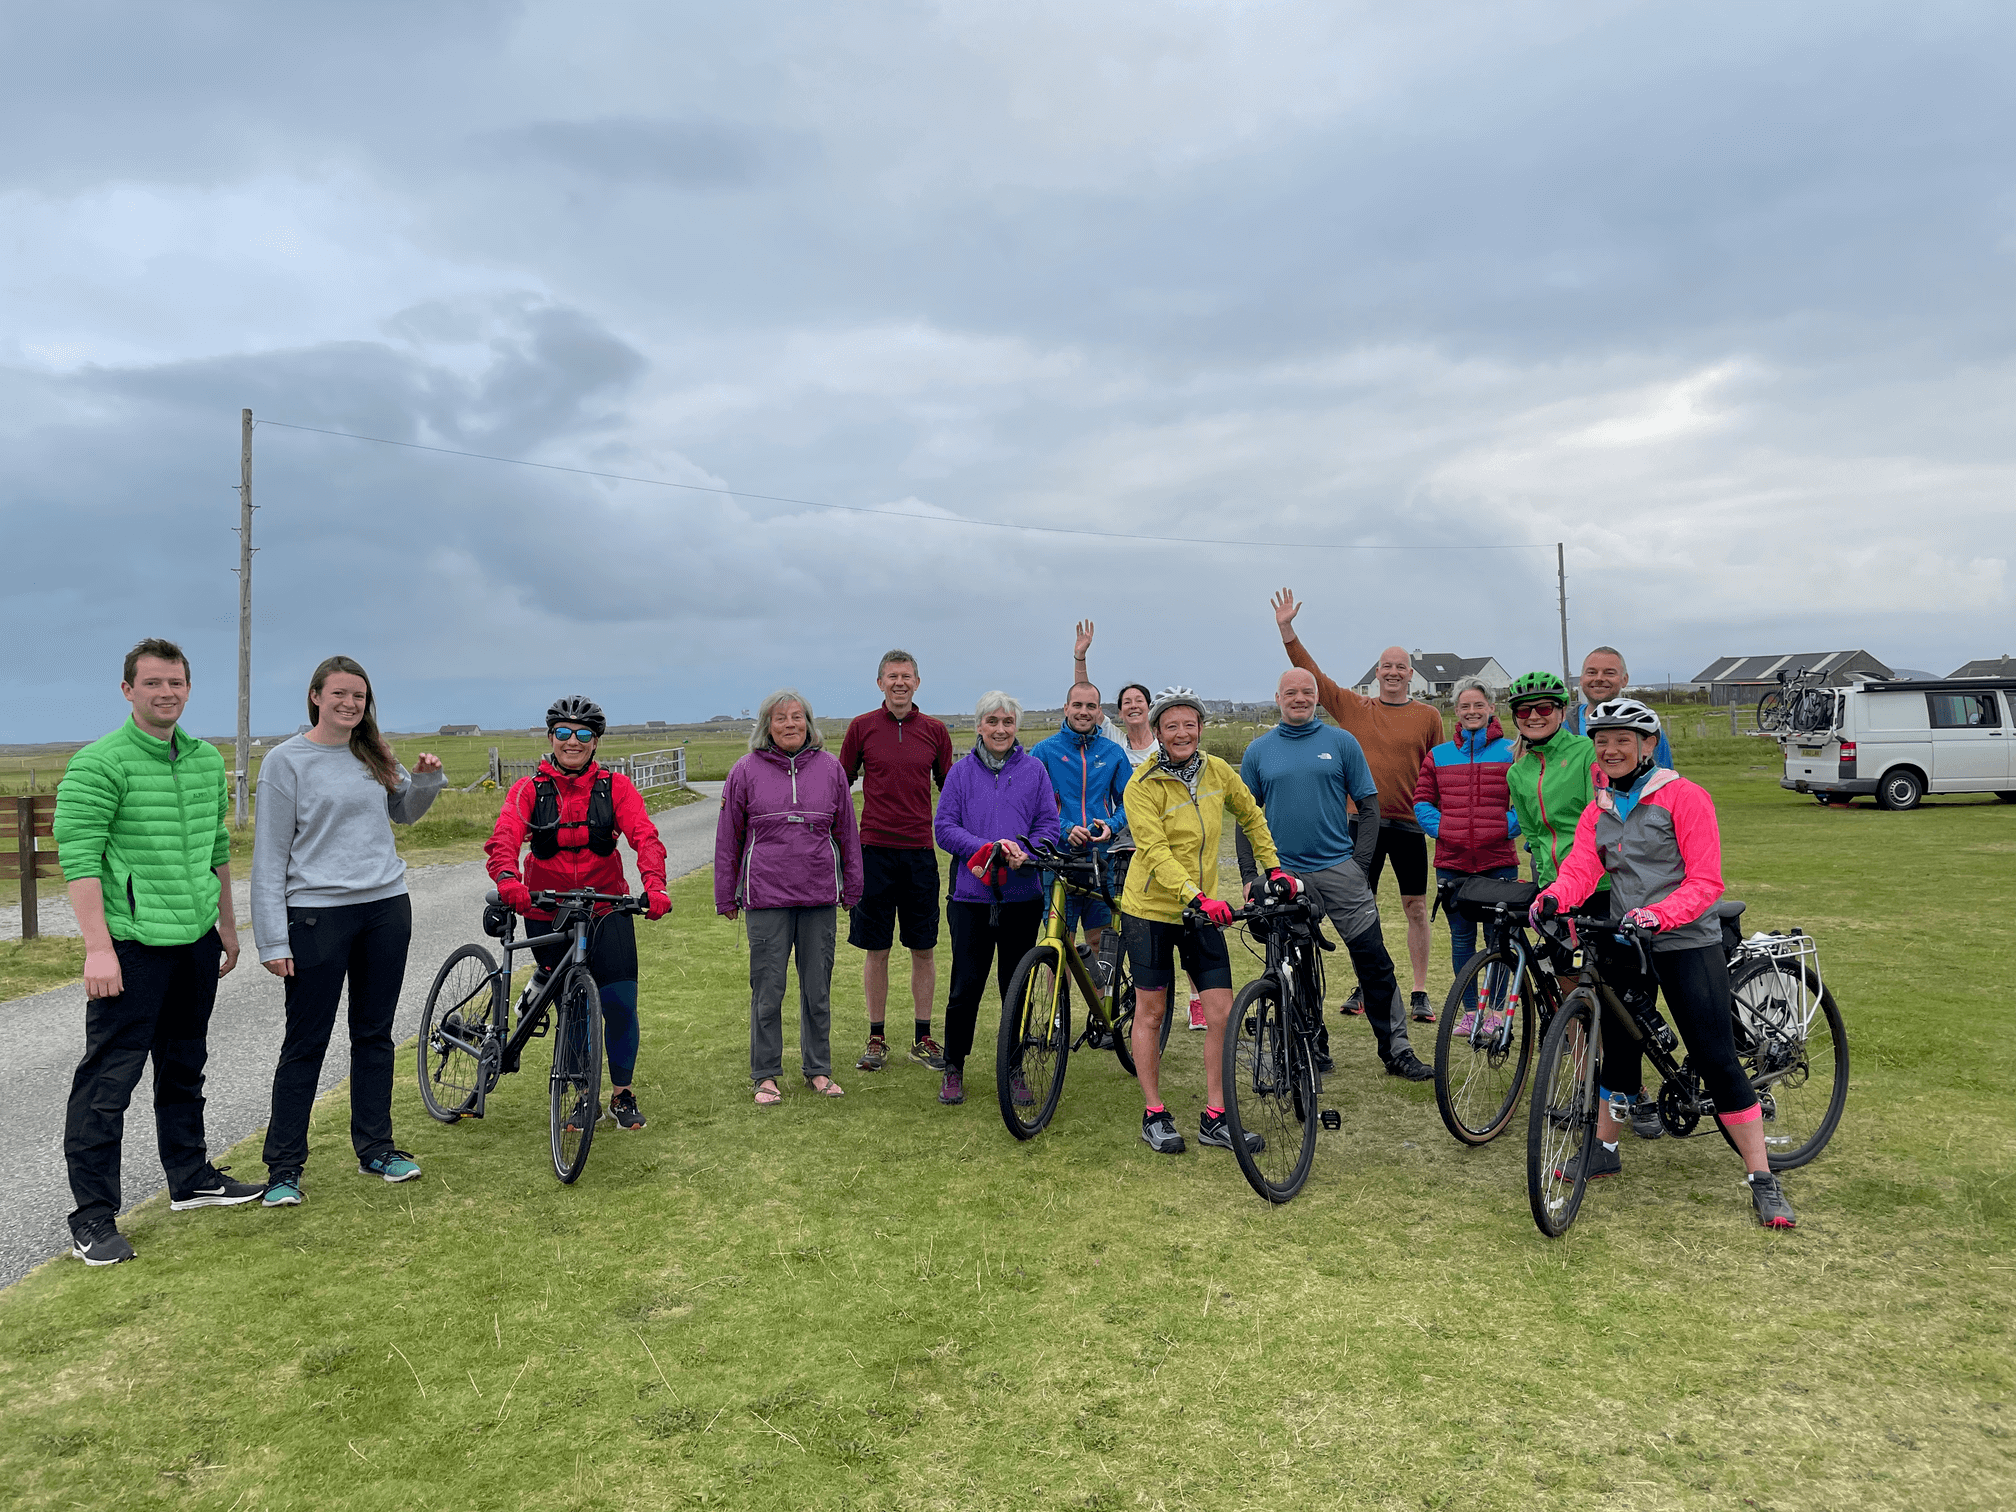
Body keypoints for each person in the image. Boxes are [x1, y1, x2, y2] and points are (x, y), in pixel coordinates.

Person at [1531, 698, 1796, 1228]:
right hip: (1626, 939)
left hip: (1685, 940)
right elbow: (1583, 867)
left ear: (1648, 746)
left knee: (1715, 1056)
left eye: (1623, 740)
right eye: (1602, 741)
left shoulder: (1685, 797)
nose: (1610, 749)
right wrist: (1555, 896)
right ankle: (1605, 1150)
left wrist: (1659, 915)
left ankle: (1763, 1179)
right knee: (1622, 1050)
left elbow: (1704, 882)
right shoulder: (1599, 808)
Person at [54, 638, 262, 1265]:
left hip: (195, 942)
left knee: (183, 1065)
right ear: (128, 691)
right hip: (131, 948)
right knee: (108, 1081)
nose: (165, 693)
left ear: (188, 689)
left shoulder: (203, 761)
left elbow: (216, 851)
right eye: (152, 683)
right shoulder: (99, 764)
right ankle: (93, 1217)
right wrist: (98, 950)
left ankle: (191, 1178)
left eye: (175, 682)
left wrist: (227, 926)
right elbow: (80, 861)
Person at [252, 656, 446, 1206]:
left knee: (374, 1034)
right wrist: (272, 938)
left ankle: (376, 1148)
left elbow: (404, 813)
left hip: (385, 907)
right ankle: (284, 1168)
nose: (350, 704)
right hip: (317, 917)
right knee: (306, 1042)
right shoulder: (286, 762)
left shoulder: (374, 753)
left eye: (358, 696)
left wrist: (427, 780)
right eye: (339, 694)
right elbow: (269, 858)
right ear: (315, 696)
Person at [485, 696, 671, 1132]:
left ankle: (621, 1095)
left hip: (606, 907)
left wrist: (656, 884)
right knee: (575, 1007)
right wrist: (509, 879)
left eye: (583, 734)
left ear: (596, 742)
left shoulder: (616, 788)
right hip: (548, 908)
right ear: (551, 738)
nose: (573, 741)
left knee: (620, 1002)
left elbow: (645, 836)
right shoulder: (528, 790)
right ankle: (582, 1096)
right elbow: (504, 838)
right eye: (564, 733)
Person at [1236, 669, 1432, 1081]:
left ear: (1316, 699)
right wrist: (1250, 874)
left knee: (1374, 962)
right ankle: (1312, 1044)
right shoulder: (1258, 751)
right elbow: (1245, 817)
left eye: (1308, 692)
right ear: (1278, 697)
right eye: (1291, 692)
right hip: (1283, 874)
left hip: (1339, 869)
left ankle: (1396, 1051)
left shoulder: (1341, 742)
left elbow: (1369, 805)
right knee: (1294, 963)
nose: (1300, 698)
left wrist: (1359, 866)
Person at [1121, 687, 1294, 1154]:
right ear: (1157, 732)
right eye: (1171, 726)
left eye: (1189, 724)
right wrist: (1195, 895)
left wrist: (1272, 866)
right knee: (1152, 1012)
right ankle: (1154, 1112)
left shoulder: (1218, 770)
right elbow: (1154, 852)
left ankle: (1216, 1116)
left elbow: (1252, 816)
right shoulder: (1140, 785)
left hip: (1202, 913)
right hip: (1152, 911)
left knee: (1220, 1013)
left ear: (1200, 728)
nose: (1182, 733)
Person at [1270, 589, 1444, 1023]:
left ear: (1410, 673)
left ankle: (1419, 990)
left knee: (1416, 908)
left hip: (1407, 827)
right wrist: (1288, 631)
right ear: (1378, 671)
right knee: (1353, 905)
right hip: (1358, 825)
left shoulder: (1428, 716)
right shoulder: (1355, 707)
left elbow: (1439, 772)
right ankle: (1366, 982)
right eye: (1386, 666)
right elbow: (1313, 677)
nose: (1392, 672)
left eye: (1400, 667)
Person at [715, 689, 863, 1105]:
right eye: (780, 718)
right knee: (768, 990)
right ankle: (765, 1074)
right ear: (767, 725)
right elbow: (729, 838)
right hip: (765, 897)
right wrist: (726, 895)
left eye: (797, 717)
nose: (790, 724)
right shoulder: (745, 771)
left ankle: (818, 1069)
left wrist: (852, 887)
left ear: (809, 722)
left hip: (818, 896)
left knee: (817, 990)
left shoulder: (831, 769)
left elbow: (847, 834)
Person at [931, 693, 1059, 1106]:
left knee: (1015, 987)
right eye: (992, 721)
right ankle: (954, 1067)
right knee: (964, 988)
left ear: (1016, 727)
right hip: (970, 898)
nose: (1000, 729)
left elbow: (1048, 828)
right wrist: (984, 847)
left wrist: (1029, 852)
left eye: (1008, 721)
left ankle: (1015, 1067)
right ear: (979, 726)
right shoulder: (960, 773)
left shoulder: (1035, 771)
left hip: (1022, 897)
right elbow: (945, 827)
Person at [840, 651, 956, 1073]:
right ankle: (876, 1036)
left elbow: (951, 789)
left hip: (920, 854)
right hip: (873, 852)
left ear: (918, 682)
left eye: (906, 676)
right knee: (878, 949)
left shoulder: (935, 731)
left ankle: (923, 1036)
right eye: (892, 677)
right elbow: (839, 784)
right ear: (880, 683)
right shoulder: (861, 728)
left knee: (923, 948)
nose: (900, 683)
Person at [1412, 678, 1519, 1018]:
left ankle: (1497, 1014)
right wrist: (1446, 829)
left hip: (1498, 862)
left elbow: (1528, 805)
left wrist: (1500, 827)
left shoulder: (1514, 751)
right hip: (1453, 863)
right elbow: (1422, 803)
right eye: (1465, 706)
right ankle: (1472, 1012)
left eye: (1479, 705)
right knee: (1461, 939)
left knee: (1497, 941)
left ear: (1491, 708)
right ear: (1455, 711)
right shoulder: (1437, 756)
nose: (1472, 711)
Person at [1029, 680, 1131, 958]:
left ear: (1099, 711)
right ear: (1066, 708)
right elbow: (1033, 807)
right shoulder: (1044, 752)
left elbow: (1130, 804)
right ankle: (1057, 1004)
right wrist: (1064, 829)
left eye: (1090, 706)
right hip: (1058, 862)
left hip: (1101, 862)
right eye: (1077, 705)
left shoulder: (1113, 753)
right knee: (1059, 945)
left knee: (1100, 943)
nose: (1083, 711)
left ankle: (1099, 1003)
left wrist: (1111, 825)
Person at [1504, 672, 1598, 888]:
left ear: (1562, 712)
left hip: (1595, 884)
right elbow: (1533, 836)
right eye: (1524, 710)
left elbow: (1599, 823)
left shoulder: (1587, 752)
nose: (1533, 716)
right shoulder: (1517, 772)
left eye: (1544, 708)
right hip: (1551, 885)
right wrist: (1546, 879)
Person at [1072, 620, 1159, 767]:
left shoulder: (1164, 747)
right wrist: (1080, 657)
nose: (1133, 706)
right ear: (1120, 713)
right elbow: (1084, 695)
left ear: (1149, 709)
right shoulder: (1115, 740)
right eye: (1127, 702)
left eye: (1139, 701)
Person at [1571, 646, 1674, 768]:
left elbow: (1664, 778)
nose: (1599, 678)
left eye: (1609, 673)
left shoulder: (1645, 727)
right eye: (1592, 672)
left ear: (1625, 680)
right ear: (1581, 679)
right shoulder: (1563, 725)